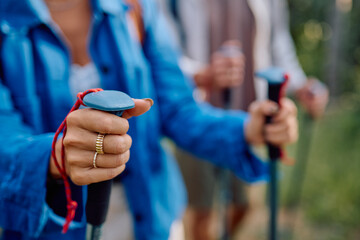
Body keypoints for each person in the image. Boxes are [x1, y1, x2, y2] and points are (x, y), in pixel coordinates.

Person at [0, 0, 298, 239]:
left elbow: (178, 110)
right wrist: (56, 154)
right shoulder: (7, 20)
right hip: (52, 226)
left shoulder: (137, 8)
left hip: (153, 217)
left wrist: (248, 128)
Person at [158, 0, 329, 239]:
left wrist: (300, 85)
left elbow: (278, 40)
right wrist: (202, 75)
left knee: (245, 204)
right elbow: (163, 47)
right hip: (193, 115)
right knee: (201, 212)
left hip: (249, 111)